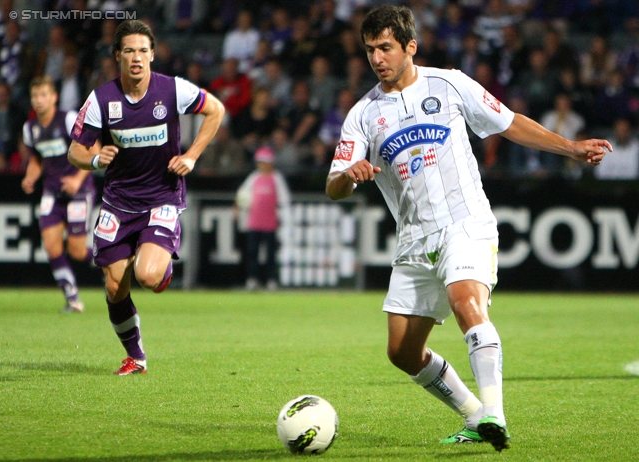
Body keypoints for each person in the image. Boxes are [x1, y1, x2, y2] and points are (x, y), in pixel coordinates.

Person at [325, 6, 611, 452]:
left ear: (409, 47)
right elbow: (333, 187)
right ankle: (476, 415)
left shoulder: (450, 83)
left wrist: (570, 148)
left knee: (466, 302)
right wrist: (349, 174)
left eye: (385, 48)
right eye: (370, 50)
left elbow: (509, 122)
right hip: (414, 239)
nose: (377, 58)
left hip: (464, 222)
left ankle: (495, 411)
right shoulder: (363, 114)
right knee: (401, 351)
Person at [67, 20, 225, 375]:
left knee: (149, 277)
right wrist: (94, 159)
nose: (136, 58)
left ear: (152, 54)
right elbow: (75, 151)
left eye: (142, 50)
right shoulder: (101, 99)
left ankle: (158, 260)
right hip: (118, 203)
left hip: (161, 200)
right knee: (113, 286)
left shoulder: (172, 90)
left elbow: (216, 109)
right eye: (128, 51)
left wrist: (192, 155)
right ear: (117, 57)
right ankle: (136, 357)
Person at [21, 76, 96, 313]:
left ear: (54, 97)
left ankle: (111, 258)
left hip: (79, 191)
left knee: (76, 251)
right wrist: (31, 176)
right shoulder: (30, 129)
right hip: (52, 192)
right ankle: (72, 297)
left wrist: (77, 178)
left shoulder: (68, 119)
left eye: (44, 95)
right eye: (35, 96)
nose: (39, 100)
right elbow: (37, 158)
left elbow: (94, 149)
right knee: (52, 247)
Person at [235, 146, 291, 291]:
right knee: (252, 253)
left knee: (270, 254)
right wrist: (239, 208)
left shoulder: (277, 179)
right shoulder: (254, 178)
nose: (263, 165)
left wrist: (283, 219)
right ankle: (252, 279)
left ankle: (271, 280)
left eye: (265, 161)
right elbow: (242, 196)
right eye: (260, 162)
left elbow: (284, 200)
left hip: (270, 224)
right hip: (254, 223)